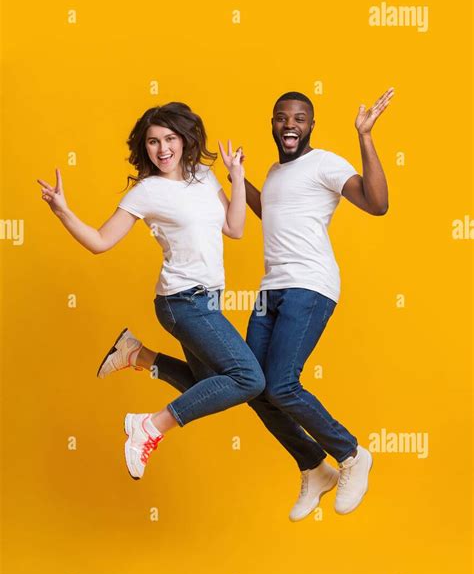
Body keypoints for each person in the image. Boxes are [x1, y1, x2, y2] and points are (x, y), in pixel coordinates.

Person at [37, 102, 265, 481]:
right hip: (182, 301)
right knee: (249, 379)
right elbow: (99, 241)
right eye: (153, 142)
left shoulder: (204, 177)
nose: (162, 149)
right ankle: (150, 427)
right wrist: (63, 211)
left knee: (207, 387)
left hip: (211, 299)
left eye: (169, 138)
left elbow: (235, 228)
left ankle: (136, 354)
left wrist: (237, 177)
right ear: (145, 148)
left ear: (184, 139)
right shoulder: (145, 191)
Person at [238, 88, 394, 520]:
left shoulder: (325, 162)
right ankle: (313, 465)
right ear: (272, 123)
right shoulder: (273, 174)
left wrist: (365, 137)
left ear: (311, 125)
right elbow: (269, 213)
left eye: (299, 118)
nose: (290, 124)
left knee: (282, 383)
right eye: (282, 117)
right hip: (272, 288)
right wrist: (232, 180)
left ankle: (350, 454)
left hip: (309, 284)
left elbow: (377, 204)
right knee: (254, 386)